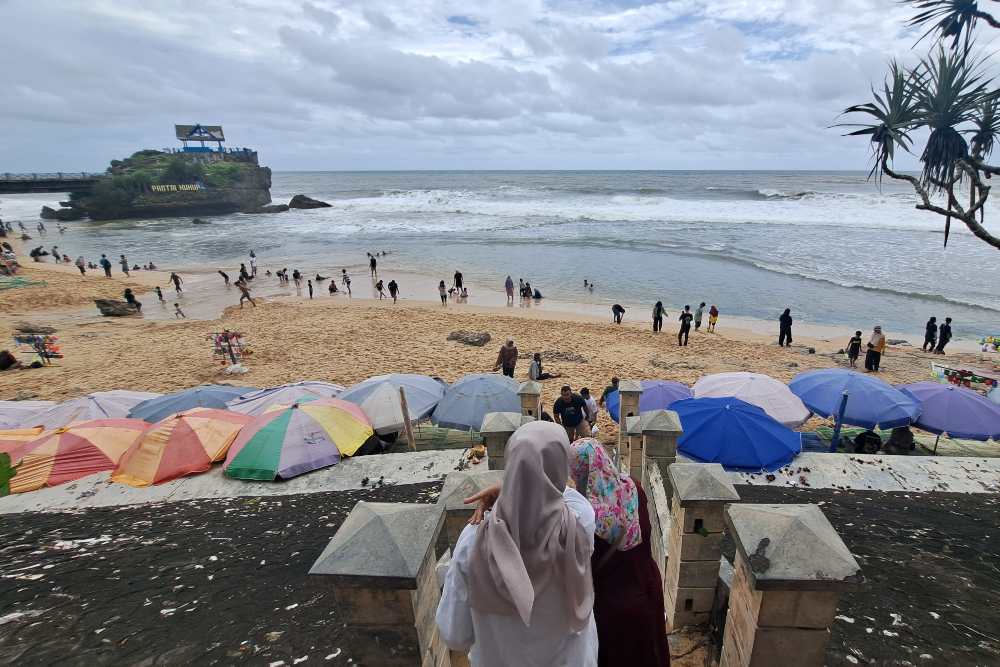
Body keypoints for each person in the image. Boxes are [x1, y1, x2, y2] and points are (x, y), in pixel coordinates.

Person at [436, 421, 597, 667]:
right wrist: (517, 485)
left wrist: (514, 486)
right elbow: (560, 494)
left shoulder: (474, 542)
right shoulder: (579, 525)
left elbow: (455, 635)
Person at [568, 439, 670, 667]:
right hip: (647, 585)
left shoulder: (584, 515)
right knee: (649, 650)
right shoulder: (635, 487)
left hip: (610, 603)